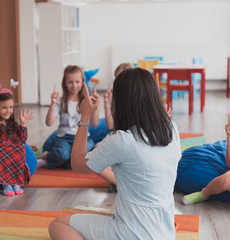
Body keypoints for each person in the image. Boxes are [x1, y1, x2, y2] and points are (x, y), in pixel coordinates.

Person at [48, 68, 181, 240]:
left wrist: (85, 117)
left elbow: (77, 163)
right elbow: (175, 158)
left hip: (129, 233)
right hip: (165, 233)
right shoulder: (172, 128)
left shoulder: (122, 141)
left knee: (58, 225)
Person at [37, 65, 99, 169]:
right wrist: (53, 103)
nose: (74, 85)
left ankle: (60, 162)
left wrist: (95, 106)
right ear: (65, 83)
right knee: (63, 155)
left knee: (75, 164)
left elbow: (95, 123)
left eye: (77, 82)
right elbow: (49, 122)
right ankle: (48, 156)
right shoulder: (61, 101)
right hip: (64, 138)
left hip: (84, 138)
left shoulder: (86, 101)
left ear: (83, 83)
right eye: (70, 82)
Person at [0, 88, 34, 196]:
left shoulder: (12, 123)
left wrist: (23, 125)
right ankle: (6, 183)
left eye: (10, 107)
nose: (8, 111)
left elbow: (22, 140)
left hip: (10, 156)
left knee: (19, 147)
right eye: (4, 107)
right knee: (1, 149)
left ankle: (15, 182)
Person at [104, 62, 134, 130]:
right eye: (116, 79)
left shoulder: (138, 97)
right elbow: (110, 125)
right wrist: (107, 104)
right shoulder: (116, 97)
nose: (118, 82)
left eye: (121, 78)